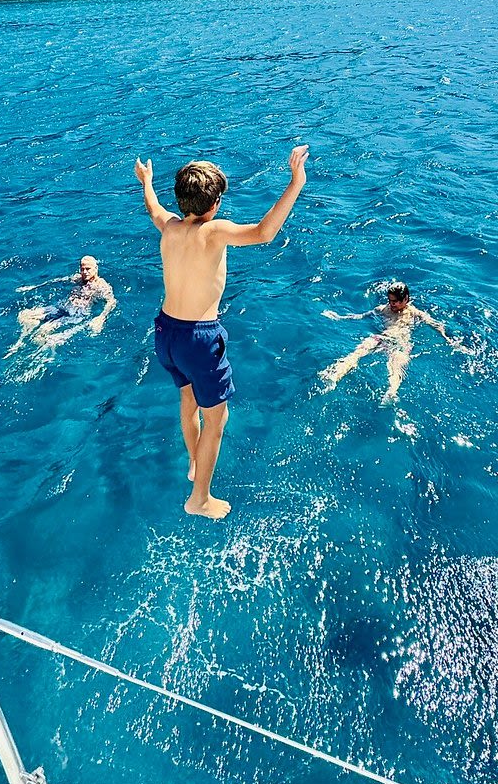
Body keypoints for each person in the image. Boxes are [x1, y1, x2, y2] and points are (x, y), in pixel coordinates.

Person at [135, 145, 310, 520]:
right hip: (199, 339)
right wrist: (296, 182)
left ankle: (194, 462)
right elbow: (264, 232)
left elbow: (153, 207)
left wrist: (147, 181)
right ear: (215, 203)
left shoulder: (170, 226)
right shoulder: (214, 231)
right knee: (216, 420)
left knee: (188, 400)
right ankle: (199, 498)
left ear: (181, 199)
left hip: (166, 332)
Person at [320, 280, 470, 401]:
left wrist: (449, 340)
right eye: (390, 300)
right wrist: (339, 317)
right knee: (357, 352)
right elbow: (361, 316)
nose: (392, 304)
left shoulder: (415, 313)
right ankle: (335, 375)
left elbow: (435, 325)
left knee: (395, 367)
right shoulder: (382, 309)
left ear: (406, 299)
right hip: (381, 338)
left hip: (400, 344)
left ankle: (391, 393)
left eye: (396, 301)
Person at [7, 255, 116, 356]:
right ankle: (21, 340)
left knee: (41, 334)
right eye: (82, 269)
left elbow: (111, 302)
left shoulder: (102, 286)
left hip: (76, 314)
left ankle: (45, 354)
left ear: (96, 268)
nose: (84, 272)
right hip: (62, 307)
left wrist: (101, 317)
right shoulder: (78, 278)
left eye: (88, 269)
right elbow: (58, 280)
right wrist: (33, 287)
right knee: (24, 315)